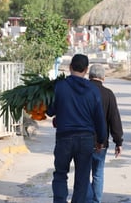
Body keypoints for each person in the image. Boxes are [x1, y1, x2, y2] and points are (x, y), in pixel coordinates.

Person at [47, 54, 107, 203]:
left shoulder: (59, 86)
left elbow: (49, 111)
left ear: (70, 67)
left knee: (60, 174)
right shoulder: (93, 90)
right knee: (82, 178)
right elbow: (99, 118)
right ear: (86, 70)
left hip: (64, 137)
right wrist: (101, 140)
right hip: (86, 140)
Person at [87, 64, 124, 203]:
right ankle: (96, 200)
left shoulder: (82, 91)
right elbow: (114, 119)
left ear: (89, 76)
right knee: (98, 173)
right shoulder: (108, 94)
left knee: (83, 174)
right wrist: (118, 142)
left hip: (82, 139)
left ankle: (86, 199)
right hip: (100, 142)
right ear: (103, 77)